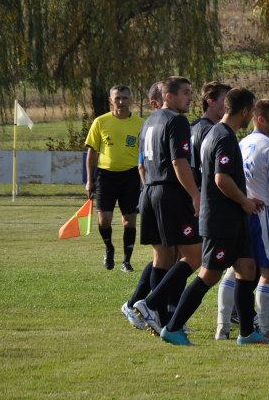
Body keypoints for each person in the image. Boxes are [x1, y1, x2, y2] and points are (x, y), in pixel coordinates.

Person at [159, 88, 265, 345]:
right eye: (250, 111)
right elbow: (221, 178)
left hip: (233, 218)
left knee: (247, 268)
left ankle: (247, 333)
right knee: (209, 274)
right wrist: (244, 201)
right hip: (221, 220)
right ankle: (172, 328)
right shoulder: (222, 136)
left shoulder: (220, 132)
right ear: (244, 111)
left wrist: (246, 202)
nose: (250, 116)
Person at [132, 77, 202, 334]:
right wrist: (195, 195)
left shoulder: (148, 121)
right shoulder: (176, 120)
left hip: (149, 190)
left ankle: (159, 319)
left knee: (162, 257)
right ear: (168, 96)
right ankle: (150, 304)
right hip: (170, 193)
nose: (190, 98)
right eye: (185, 93)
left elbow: (141, 163)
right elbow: (179, 163)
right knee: (193, 256)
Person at [85, 84, 144, 273]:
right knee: (104, 220)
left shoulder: (140, 124)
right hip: (105, 176)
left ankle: (126, 261)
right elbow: (92, 153)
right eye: (117, 98)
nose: (121, 101)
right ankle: (109, 249)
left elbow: (145, 153)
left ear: (130, 99)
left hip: (131, 176)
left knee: (129, 221)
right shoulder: (100, 122)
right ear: (111, 100)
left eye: (125, 98)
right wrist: (89, 180)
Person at [120, 82, 164, 330]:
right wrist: (151, 189)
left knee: (166, 255)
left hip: (155, 194)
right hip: (156, 194)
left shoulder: (151, 124)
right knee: (166, 255)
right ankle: (145, 305)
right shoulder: (152, 125)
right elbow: (141, 165)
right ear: (155, 103)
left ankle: (143, 304)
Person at [190, 81, 231, 186]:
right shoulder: (212, 131)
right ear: (211, 102)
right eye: (225, 101)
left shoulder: (193, 125)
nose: (229, 106)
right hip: (205, 191)